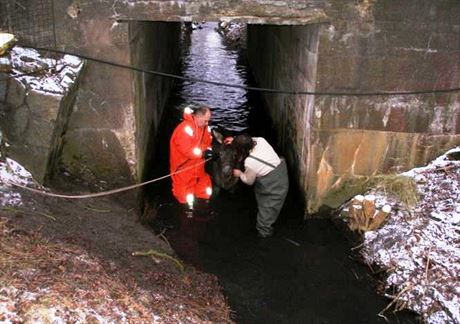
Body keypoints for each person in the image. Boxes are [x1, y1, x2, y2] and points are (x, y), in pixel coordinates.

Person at [231, 134, 289, 238]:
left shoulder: (251, 162)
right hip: (280, 167)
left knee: (266, 215)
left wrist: (239, 173)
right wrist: (234, 140)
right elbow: (250, 139)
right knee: (262, 199)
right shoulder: (261, 141)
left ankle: (264, 236)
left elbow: (249, 181)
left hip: (275, 184)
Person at [170, 106, 214, 209]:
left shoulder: (205, 128)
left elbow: (207, 143)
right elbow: (186, 150)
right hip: (183, 169)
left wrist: (209, 151)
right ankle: (186, 215)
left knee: (205, 191)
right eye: (205, 120)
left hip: (198, 167)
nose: (207, 123)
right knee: (184, 197)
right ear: (198, 117)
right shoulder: (185, 129)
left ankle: (203, 209)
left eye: (208, 121)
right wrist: (203, 154)